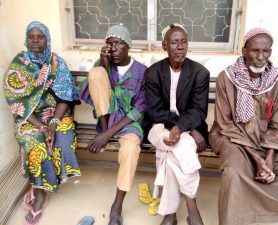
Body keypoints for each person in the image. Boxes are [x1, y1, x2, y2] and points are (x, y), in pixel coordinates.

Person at [209, 27, 278, 225]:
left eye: (265, 51)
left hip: (267, 141)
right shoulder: (227, 78)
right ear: (244, 51)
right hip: (231, 137)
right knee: (234, 172)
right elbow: (225, 123)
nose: (260, 57)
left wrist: (267, 158)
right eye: (255, 51)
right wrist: (257, 159)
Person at [3, 21, 81, 225]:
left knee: (62, 140)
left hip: (56, 114)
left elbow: (65, 97)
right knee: (35, 144)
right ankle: (39, 192)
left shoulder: (56, 63)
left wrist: (53, 124)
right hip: (30, 118)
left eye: (40, 36)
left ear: (48, 39)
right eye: (31, 36)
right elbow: (17, 101)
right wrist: (41, 127)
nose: (36, 41)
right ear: (26, 39)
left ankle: (45, 186)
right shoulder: (19, 64)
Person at [79, 24, 147, 225]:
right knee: (95, 73)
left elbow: (140, 109)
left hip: (129, 123)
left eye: (118, 44)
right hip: (106, 118)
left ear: (128, 46)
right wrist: (103, 63)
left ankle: (116, 206)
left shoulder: (142, 71)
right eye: (110, 45)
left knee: (130, 149)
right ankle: (104, 128)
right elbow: (88, 89)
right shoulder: (104, 64)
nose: (114, 49)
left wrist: (106, 135)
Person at [145, 24, 209, 225]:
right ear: (165, 46)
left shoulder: (200, 73)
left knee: (173, 152)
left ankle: (170, 214)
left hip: (188, 128)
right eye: (174, 42)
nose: (180, 46)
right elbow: (155, 110)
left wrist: (183, 129)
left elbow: (199, 110)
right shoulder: (153, 73)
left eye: (184, 42)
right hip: (158, 126)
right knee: (179, 147)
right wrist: (179, 127)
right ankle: (193, 209)